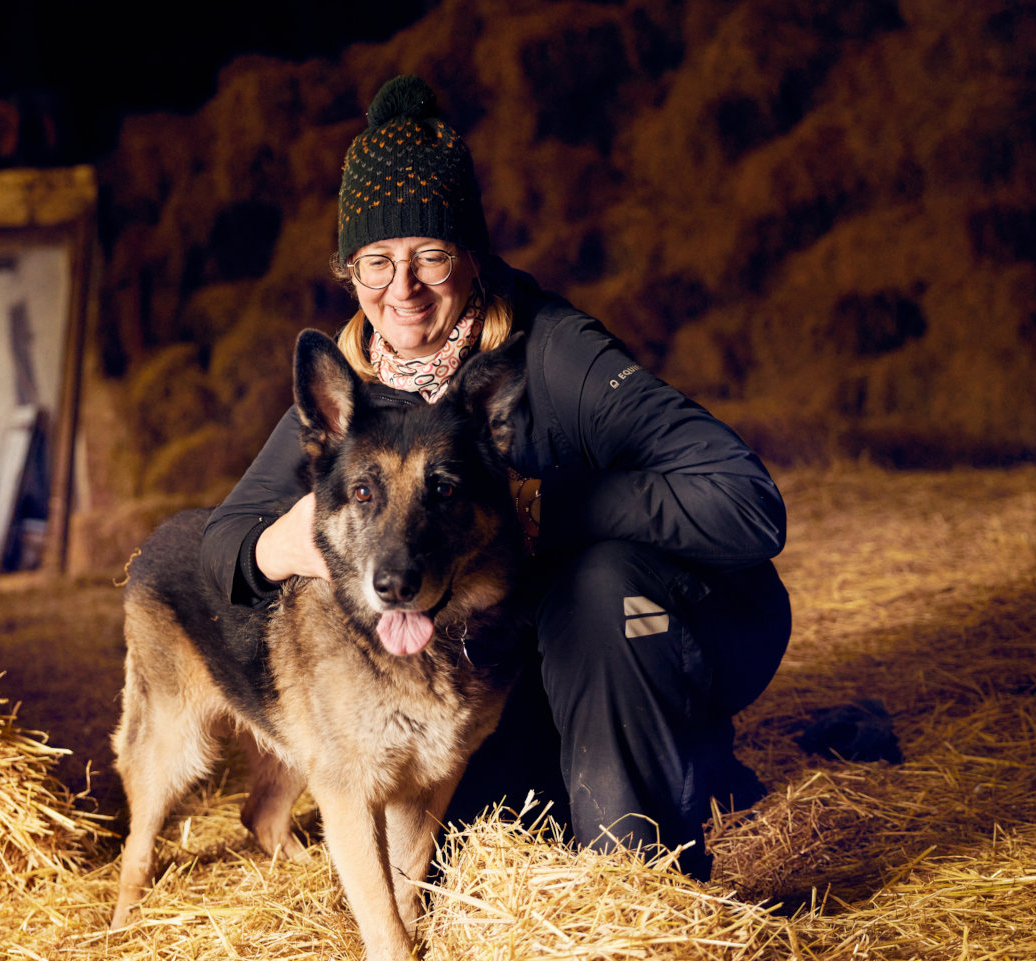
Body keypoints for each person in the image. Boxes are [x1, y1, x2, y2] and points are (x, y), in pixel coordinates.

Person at [200, 74, 790, 880]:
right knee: (452, 856)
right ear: (349, 271)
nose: (400, 291)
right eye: (375, 262)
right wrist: (287, 541)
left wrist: (545, 509)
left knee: (598, 583)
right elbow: (216, 552)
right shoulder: (361, 392)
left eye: (430, 257)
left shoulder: (555, 354)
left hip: (655, 632)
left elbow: (748, 504)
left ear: (471, 255)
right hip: (508, 667)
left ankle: (635, 872)